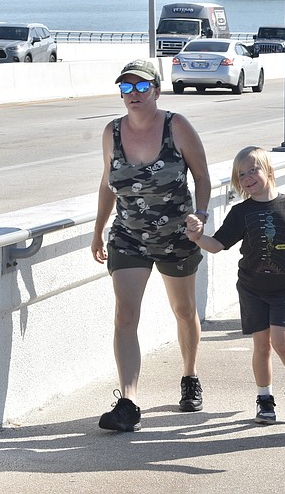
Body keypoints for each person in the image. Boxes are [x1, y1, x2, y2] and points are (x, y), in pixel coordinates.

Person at [91, 59, 211, 432]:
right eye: (126, 89)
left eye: (141, 87)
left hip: (177, 235)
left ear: (157, 90)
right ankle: (128, 402)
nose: (134, 95)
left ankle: (189, 376)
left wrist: (202, 216)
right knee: (125, 315)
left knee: (184, 310)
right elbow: (107, 183)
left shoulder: (177, 127)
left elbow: (203, 177)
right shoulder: (111, 132)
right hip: (128, 236)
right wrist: (97, 231)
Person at [185, 146, 285, 425]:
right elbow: (217, 245)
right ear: (238, 183)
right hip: (251, 288)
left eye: (254, 170)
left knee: (281, 341)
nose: (248, 177)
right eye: (242, 174)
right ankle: (265, 399)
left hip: (284, 287)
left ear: (270, 171)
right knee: (261, 346)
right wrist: (198, 237)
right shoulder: (241, 213)